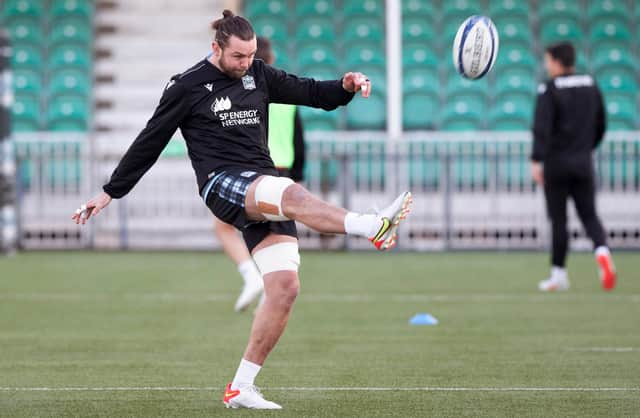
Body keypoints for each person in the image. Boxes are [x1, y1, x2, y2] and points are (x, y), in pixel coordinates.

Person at [72, 10, 412, 410]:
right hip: (223, 183)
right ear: (216, 48)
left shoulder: (260, 74)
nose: (246, 63)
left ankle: (240, 387)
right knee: (293, 194)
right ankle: (372, 225)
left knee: (285, 288)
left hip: (261, 183)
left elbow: (312, 93)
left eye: (251, 56)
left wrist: (346, 84)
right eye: (238, 56)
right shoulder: (186, 86)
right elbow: (151, 139)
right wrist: (111, 190)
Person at [214, 36, 306, 313]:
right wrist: (298, 174)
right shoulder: (286, 95)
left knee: (225, 225)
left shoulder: (247, 93)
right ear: (272, 60)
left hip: (256, 168)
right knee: (272, 237)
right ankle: (266, 285)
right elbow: (299, 137)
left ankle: (252, 277)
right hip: (283, 169)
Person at [531, 41, 616, 292]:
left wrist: (536, 159)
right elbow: (601, 123)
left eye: (548, 61)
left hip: (556, 164)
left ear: (557, 61)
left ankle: (558, 274)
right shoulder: (591, 85)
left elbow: (542, 128)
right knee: (589, 215)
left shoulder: (549, 89)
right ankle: (602, 251)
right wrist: (587, 147)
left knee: (559, 221)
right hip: (583, 162)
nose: (547, 66)